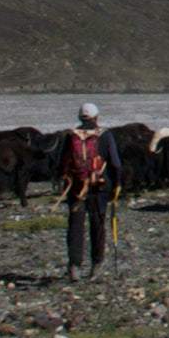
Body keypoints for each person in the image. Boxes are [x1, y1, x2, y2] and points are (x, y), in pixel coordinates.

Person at [61, 102, 122, 281]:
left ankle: (74, 266)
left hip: (76, 188)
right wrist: (117, 184)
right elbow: (115, 163)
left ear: (80, 117)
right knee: (97, 225)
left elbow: (62, 163)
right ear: (96, 117)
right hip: (98, 187)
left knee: (75, 226)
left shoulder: (71, 135)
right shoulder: (105, 135)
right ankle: (96, 265)